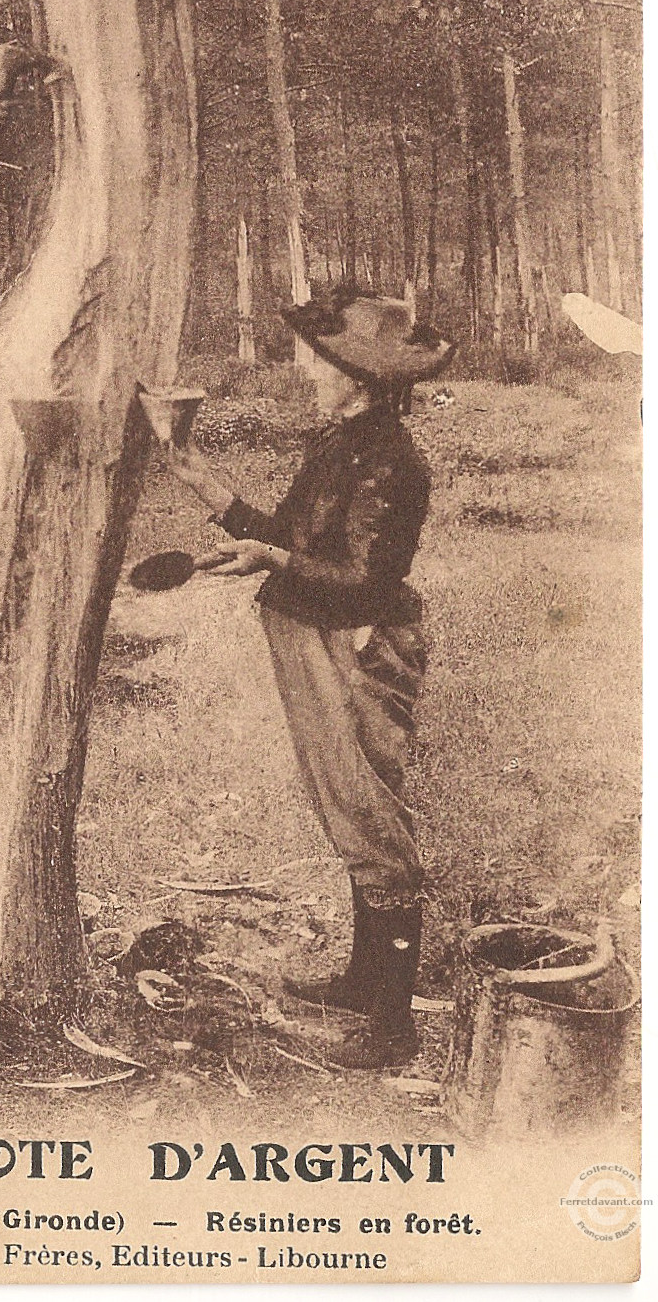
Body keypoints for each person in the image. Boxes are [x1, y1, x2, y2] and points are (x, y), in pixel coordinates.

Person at [164, 291, 454, 1069]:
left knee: (371, 817)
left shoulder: (391, 460)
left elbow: (360, 581)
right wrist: (197, 475)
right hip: (317, 640)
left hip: (358, 648)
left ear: (354, 378)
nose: (306, 371)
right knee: (347, 805)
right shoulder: (344, 444)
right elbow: (285, 534)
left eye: (316, 360)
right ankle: (365, 985)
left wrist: (277, 561)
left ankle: (393, 1027)